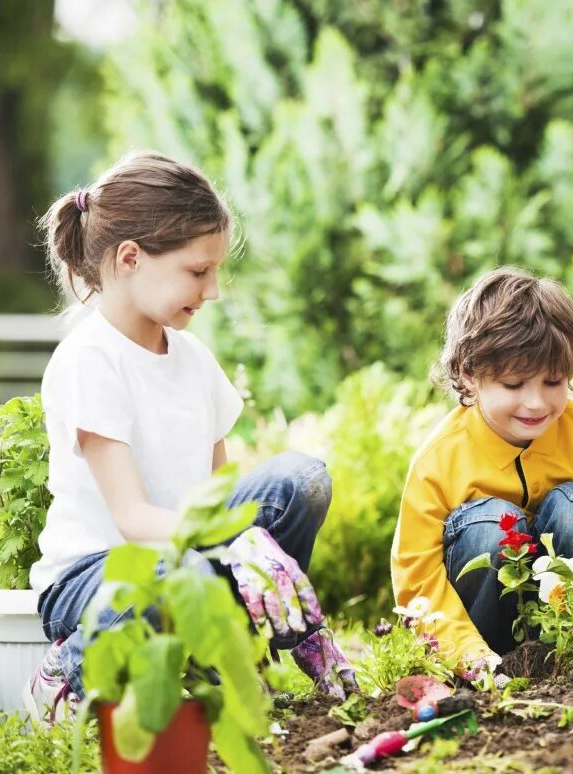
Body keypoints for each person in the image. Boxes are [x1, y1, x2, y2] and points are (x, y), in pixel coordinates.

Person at [26, 151, 357, 722]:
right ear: (130, 258)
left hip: (187, 557)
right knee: (188, 572)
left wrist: (252, 547)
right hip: (95, 574)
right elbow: (131, 517)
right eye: (198, 271)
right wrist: (233, 541)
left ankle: (249, 641)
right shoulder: (90, 359)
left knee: (302, 481)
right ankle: (68, 670)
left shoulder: (194, 359)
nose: (213, 291)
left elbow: (219, 490)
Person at [392, 267, 573, 672]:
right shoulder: (438, 461)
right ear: (469, 375)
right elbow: (418, 581)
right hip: (484, 648)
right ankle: (502, 667)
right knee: (492, 526)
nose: (536, 403)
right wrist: (470, 659)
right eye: (513, 385)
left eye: (553, 381)